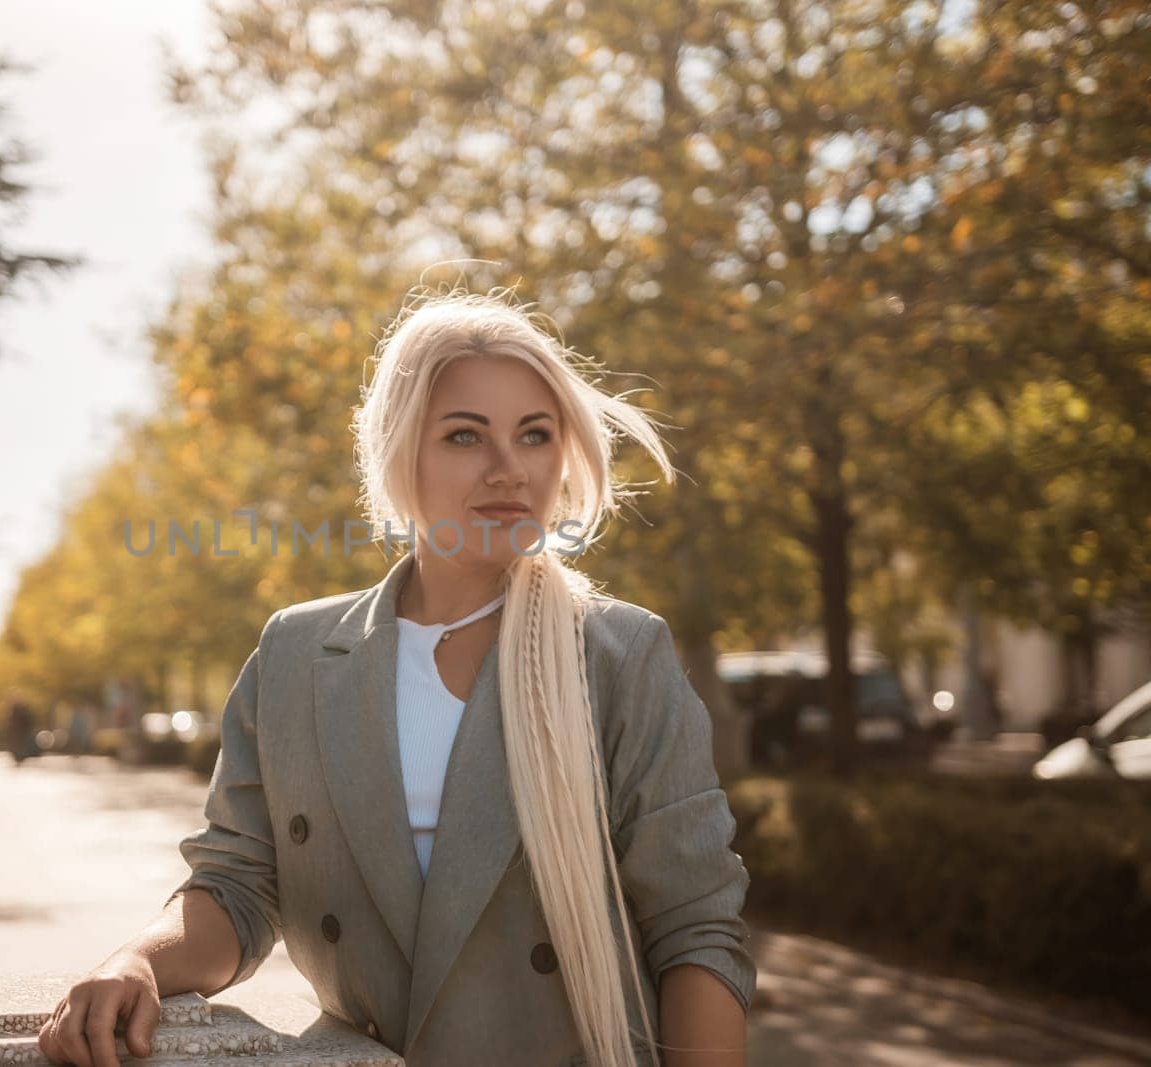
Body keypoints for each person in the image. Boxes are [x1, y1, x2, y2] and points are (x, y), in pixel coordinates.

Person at [37, 288, 756, 1067]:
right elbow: (240, 888)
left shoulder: (619, 655)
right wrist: (138, 958)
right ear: (398, 452)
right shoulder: (296, 655)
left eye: (535, 435)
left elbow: (695, 929)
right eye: (464, 435)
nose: (509, 469)